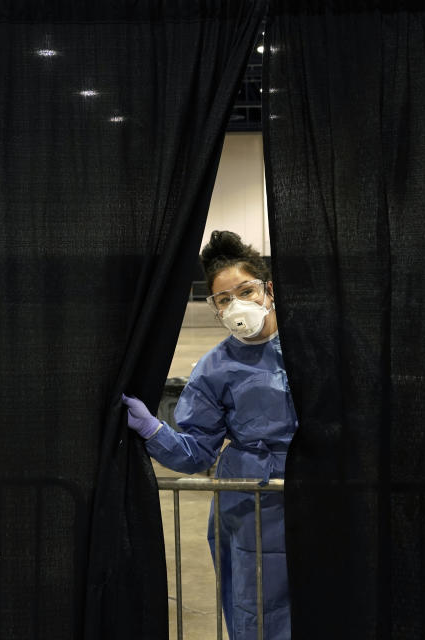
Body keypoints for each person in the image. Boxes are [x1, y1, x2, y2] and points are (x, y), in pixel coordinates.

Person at [122, 230, 298, 640]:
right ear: (214, 308)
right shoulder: (214, 369)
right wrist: (153, 429)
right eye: (224, 299)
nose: (238, 305)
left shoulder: (309, 346)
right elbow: (199, 452)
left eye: (246, 290)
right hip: (249, 506)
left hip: (317, 493)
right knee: (258, 612)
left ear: (268, 290)